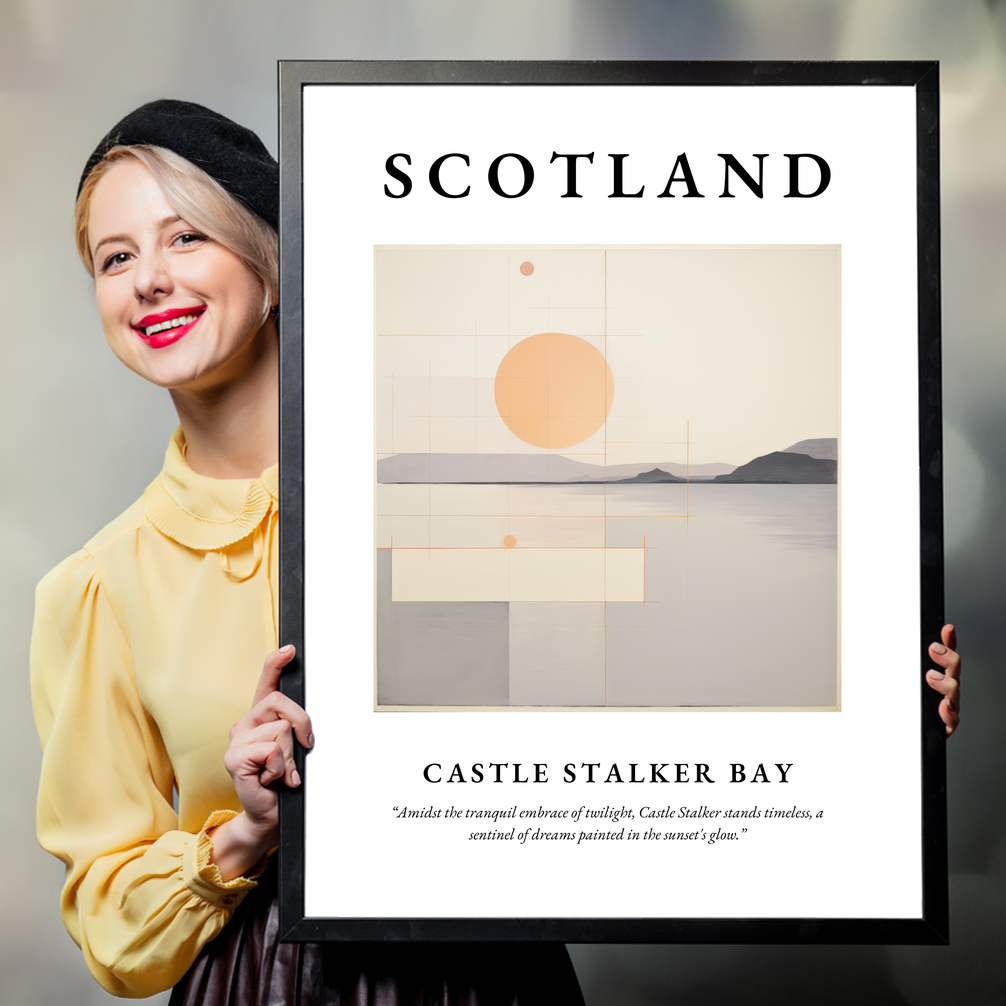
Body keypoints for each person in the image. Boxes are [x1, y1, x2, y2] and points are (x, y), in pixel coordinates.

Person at [30, 100, 585, 1004]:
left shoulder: (464, 489)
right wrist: (245, 832)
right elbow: (110, 923)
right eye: (116, 257)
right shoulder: (98, 587)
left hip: (490, 972)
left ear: (273, 264)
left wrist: (888, 708)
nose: (148, 281)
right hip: (262, 982)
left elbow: (622, 694)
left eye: (186, 239)